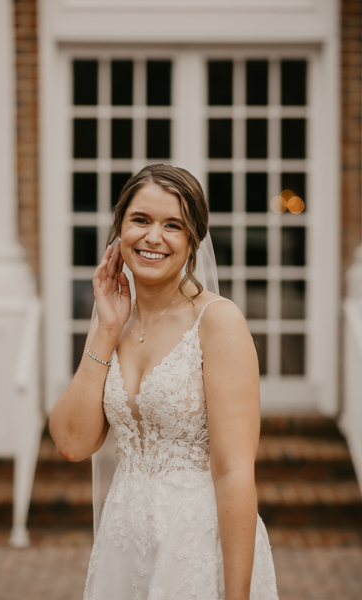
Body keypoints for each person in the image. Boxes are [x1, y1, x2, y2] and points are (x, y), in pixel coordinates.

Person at [49, 165, 278, 599]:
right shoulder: (113, 319)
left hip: (194, 548)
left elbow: (234, 472)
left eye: (173, 225)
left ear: (193, 240)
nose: (154, 237)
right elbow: (72, 443)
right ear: (119, 230)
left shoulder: (218, 322)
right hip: (123, 542)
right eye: (141, 220)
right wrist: (106, 329)